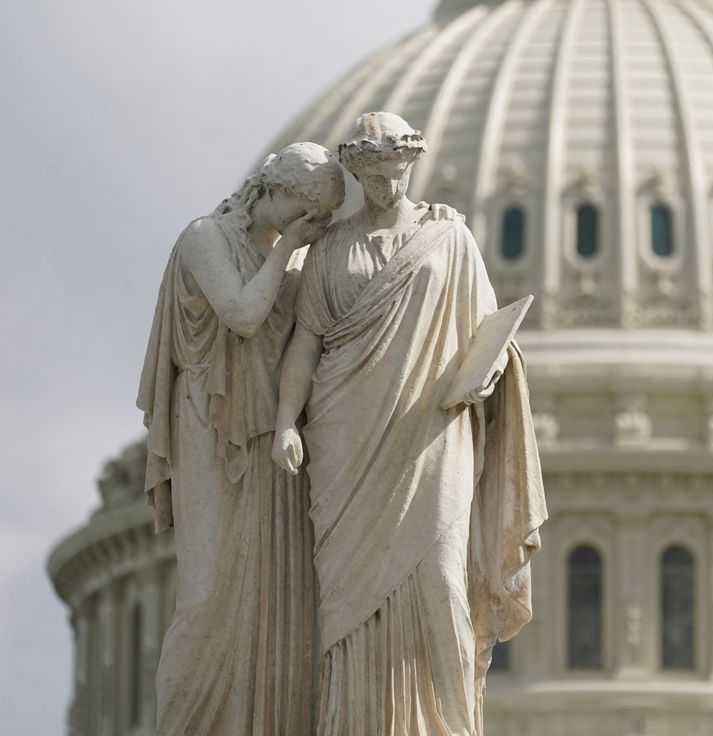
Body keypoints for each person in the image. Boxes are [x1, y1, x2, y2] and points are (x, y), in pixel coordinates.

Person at [272, 112, 547, 735]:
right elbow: (304, 346)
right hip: (343, 437)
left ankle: (443, 724)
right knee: (343, 598)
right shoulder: (330, 250)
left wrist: (488, 371)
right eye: (369, 175)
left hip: (431, 431)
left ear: (410, 166)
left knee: (441, 577)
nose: (382, 185)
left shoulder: (449, 240)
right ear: (354, 174)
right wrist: (287, 421)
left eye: (392, 171)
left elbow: (487, 335)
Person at [137, 143, 343, 735]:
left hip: (272, 438)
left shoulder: (292, 255)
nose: (314, 228)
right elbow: (243, 314)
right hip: (211, 422)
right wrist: (288, 250)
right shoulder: (206, 237)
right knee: (206, 599)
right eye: (310, 212)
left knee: (275, 600)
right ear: (281, 195)